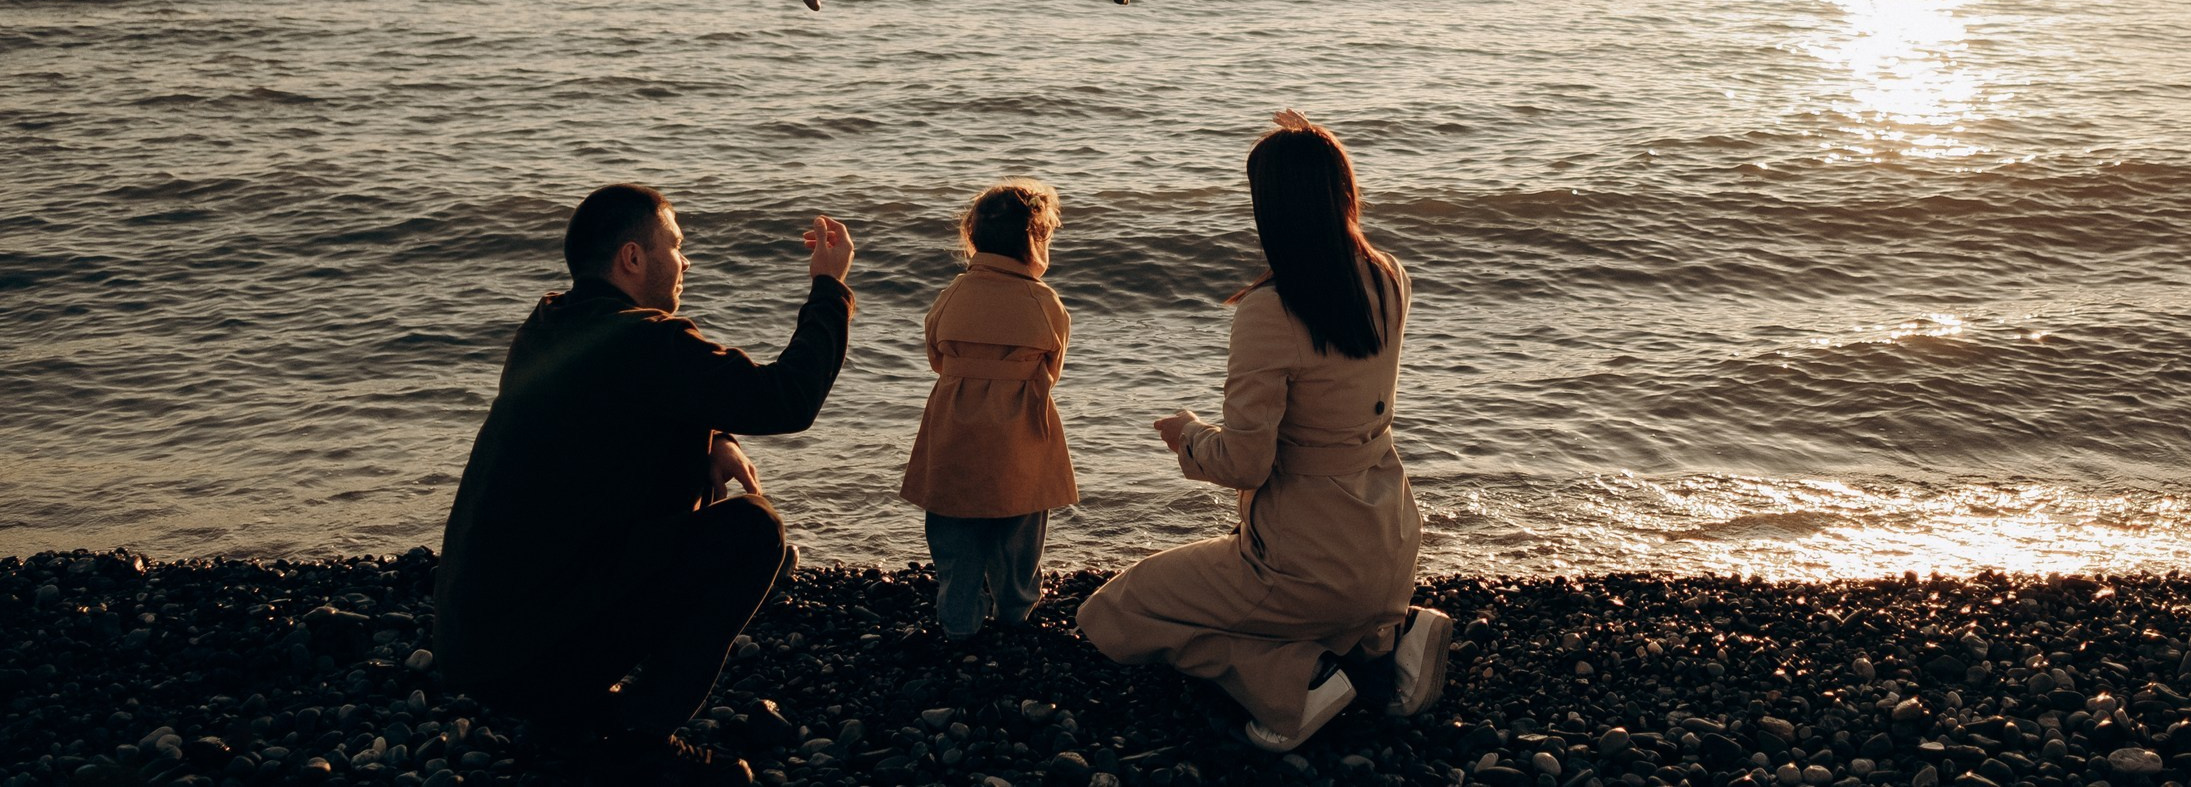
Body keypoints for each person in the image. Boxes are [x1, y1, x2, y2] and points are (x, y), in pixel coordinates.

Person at [433, 183, 856, 786]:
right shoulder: (647, 340)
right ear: (632, 258)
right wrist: (830, 288)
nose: (686, 261)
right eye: (676, 245)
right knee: (754, 530)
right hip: (531, 651)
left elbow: (620, 407)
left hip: (476, 643)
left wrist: (714, 438)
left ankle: (570, 723)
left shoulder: (551, 323)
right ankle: (635, 739)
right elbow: (787, 399)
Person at [1077, 110, 1452, 753]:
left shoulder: (1269, 310)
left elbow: (1248, 464)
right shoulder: (1389, 277)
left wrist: (1191, 437)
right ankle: (1389, 641)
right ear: (1344, 190)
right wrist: (1319, 149)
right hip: (1388, 542)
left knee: (1111, 614)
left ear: (1268, 211)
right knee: (1306, 607)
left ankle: (1295, 685)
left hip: (1307, 561)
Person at [899, 178, 1079, 638]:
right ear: (1035, 239)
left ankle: (957, 617)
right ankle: (1015, 609)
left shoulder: (954, 294)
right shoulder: (1043, 302)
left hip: (954, 426)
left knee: (952, 527)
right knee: (1021, 523)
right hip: (1020, 428)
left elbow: (935, 354)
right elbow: (1053, 364)